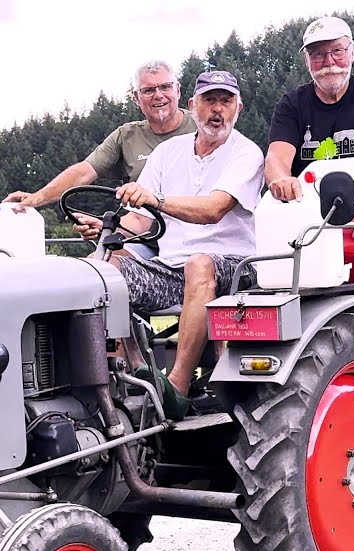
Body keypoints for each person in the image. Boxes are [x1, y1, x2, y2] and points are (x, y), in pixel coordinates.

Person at [73, 70, 264, 420]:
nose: (217, 110)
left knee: (199, 263)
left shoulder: (247, 153)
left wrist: (156, 199)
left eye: (226, 101)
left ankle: (177, 386)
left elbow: (213, 210)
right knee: (101, 269)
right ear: (193, 105)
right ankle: (135, 372)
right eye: (209, 100)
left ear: (239, 108)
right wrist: (107, 230)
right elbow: (140, 220)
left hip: (234, 268)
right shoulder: (167, 152)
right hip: (171, 267)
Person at [263, 15, 354, 278]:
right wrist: (280, 179)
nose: (329, 61)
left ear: (352, 53)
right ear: (307, 61)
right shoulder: (292, 104)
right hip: (308, 235)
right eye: (318, 54)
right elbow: (276, 158)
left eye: (337, 51)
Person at [3, 61, 197, 209]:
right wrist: (36, 198)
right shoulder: (126, 136)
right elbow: (83, 172)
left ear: (178, 91)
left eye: (165, 87)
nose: (158, 95)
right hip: (142, 235)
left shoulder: (201, 128)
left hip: (197, 232)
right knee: (103, 252)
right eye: (148, 90)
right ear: (136, 98)